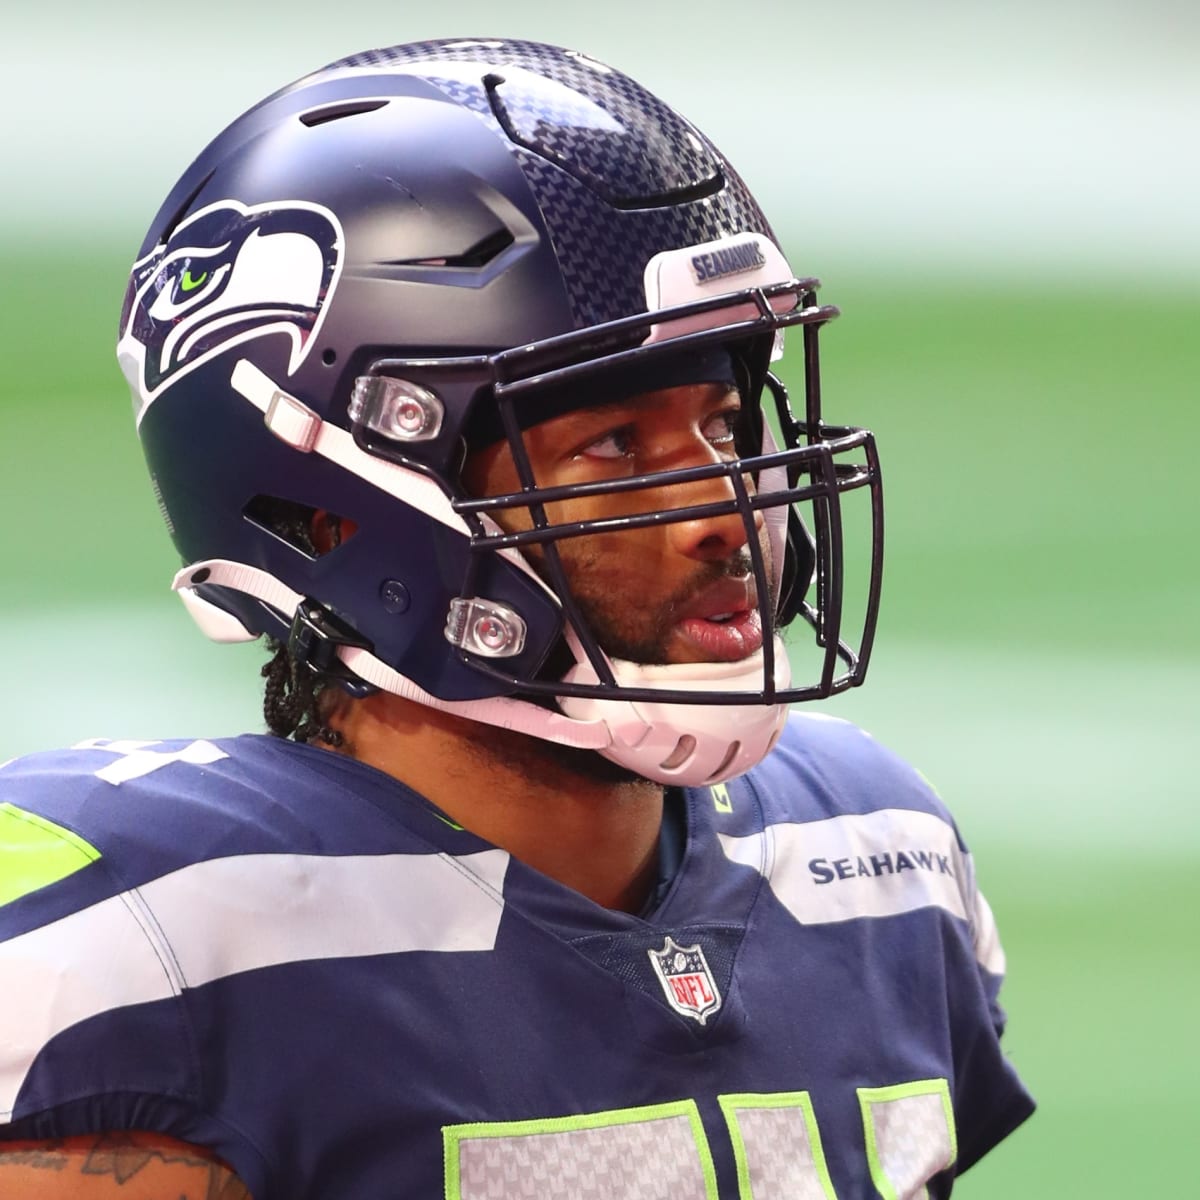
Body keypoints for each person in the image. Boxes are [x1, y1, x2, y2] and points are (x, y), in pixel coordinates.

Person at [0, 37, 1033, 1200]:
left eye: (725, 428)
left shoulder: (869, 857)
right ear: (335, 505)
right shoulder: (149, 935)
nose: (723, 514)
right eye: (611, 446)